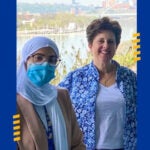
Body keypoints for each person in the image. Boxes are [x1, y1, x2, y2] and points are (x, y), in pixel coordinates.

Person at [59, 17, 137, 150]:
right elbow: (52, 104)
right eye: (101, 41)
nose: (106, 46)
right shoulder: (75, 78)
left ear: (116, 46)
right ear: (90, 45)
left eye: (111, 41)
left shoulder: (130, 78)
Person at [17, 36, 86, 150]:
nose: (45, 64)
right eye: (38, 58)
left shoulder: (62, 96)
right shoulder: (14, 101)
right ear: (26, 60)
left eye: (52, 60)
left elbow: (77, 142)